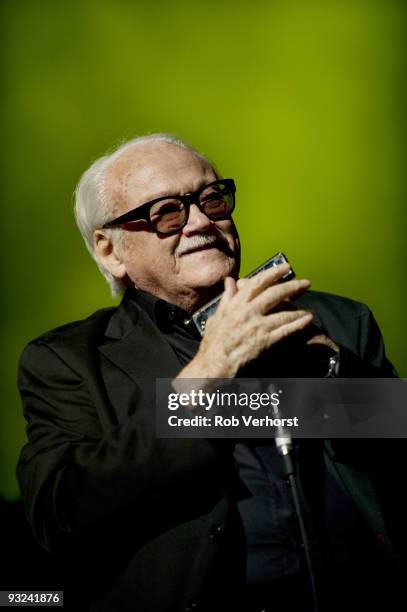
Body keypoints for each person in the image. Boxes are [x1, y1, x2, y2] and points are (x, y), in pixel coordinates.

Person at [17, 134, 401, 612]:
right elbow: (60, 513)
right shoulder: (69, 360)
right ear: (110, 250)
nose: (200, 221)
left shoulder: (338, 322)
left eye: (212, 198)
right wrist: (209, 371)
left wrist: (333, 369)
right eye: (166, 212)